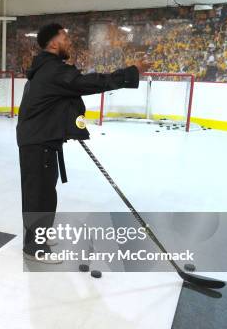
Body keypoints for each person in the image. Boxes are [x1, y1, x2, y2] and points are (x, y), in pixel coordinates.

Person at [17, 23, 150, 264]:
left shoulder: (45, 69)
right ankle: (34, 248)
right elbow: (89, 83)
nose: (69, 42)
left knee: (45, 193)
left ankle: (39, 237)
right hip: (38, 141)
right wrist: (131, 72)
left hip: (40, 140)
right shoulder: (53, 71)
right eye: (65, 37)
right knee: (39, 195)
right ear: (54, 43)